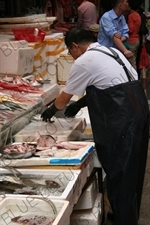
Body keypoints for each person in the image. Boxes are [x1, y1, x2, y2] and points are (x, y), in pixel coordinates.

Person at [41, 27, 149, 225]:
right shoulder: (112, 51)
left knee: (121, 173)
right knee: (132, 171)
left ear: (75, 46)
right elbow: (111, 83)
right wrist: (80, 103)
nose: (71, 56)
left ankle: (124, 220)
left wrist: (50, 111)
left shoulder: (84, 61)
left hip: (122, 120)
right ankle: (121, 213)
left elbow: (62, 100)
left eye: (70, 51)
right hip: (139, 111)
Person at [127, 2, 141, 70]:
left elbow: (130, 30)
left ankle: (133, 77)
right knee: (134, 59)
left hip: (131, 40)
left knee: (131, 61)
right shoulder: (138, 15)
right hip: (137, 39)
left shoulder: (131, 16)